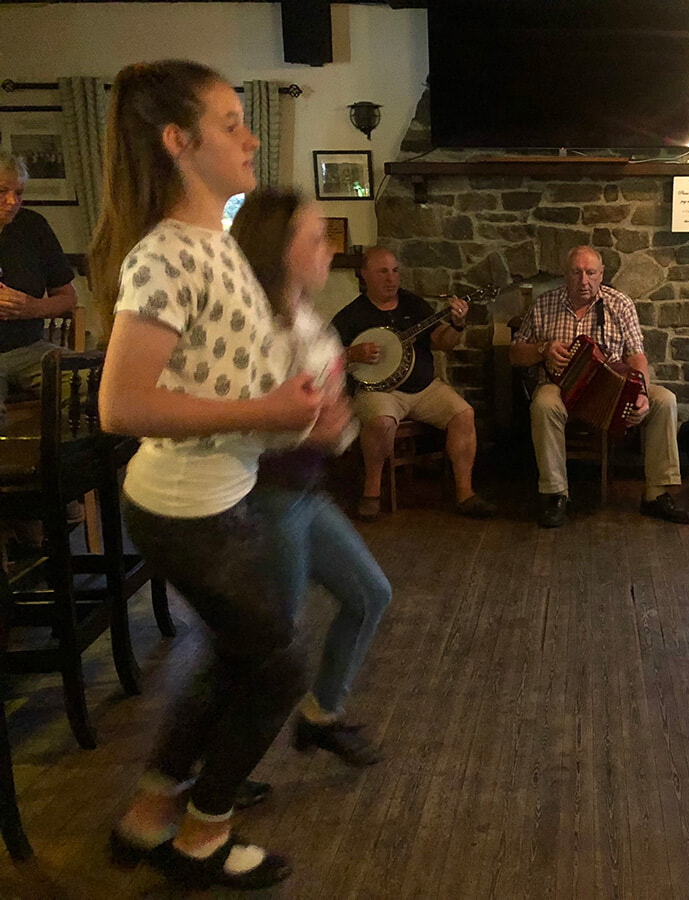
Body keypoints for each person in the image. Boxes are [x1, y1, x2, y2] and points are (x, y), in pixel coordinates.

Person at [94, 60, 332, 890]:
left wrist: (293, 406)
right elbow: (121, 404)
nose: (250, 137)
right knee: (280, 667)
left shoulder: (216, 245)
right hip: (187, 510)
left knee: (238, 659)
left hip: (220, 498)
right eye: (231, 123)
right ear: (179, 141)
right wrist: (268, 411)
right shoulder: (166, 255)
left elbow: (224, 374)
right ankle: (204, 833)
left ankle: (149, 813)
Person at [231, 187, 391, 768]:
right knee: (274, 644)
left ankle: (322, 715)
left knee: (369, 595)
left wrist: (329, 421)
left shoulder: (302, 316)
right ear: (280, 249)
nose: (331, 250)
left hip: (303, 493)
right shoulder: (252, 327)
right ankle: (214, 775)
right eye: (317, 239)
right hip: (268, 498)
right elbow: (239, 422)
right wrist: (312, 428)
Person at [509, 245, 689, 528]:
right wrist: (543, 349)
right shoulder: (544, 304)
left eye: (590, 273)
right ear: (565, 274)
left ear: (601, 274)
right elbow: (514, 354)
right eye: (576, 273)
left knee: (664, 400)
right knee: (543, 404)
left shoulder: (619, 304)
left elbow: (636, 355)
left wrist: (641, 392)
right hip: (560, 388)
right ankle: (556, 494)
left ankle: (656, 494)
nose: (584, 280)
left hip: (611, 390)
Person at [331, 246, 496, 521]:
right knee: (381, 422)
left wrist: (457, 325)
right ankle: (371, 491)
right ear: (364, 275)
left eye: (395, 271)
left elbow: (444, 343)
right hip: (379, 391)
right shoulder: (351, 315)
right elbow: (327, 355)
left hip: (424, 388)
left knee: (464, 414)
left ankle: (465, 493)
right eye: (382, 272)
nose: (391, 279)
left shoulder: (414, 305)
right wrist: (353, 353)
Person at [0, 149, 78, 430]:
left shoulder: (33, 226)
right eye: (2, 191)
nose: (12, 201)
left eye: (19, 193)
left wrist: (32, 307)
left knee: (96, 381)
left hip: (31, 348)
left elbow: (68, 298)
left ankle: (68, 456)